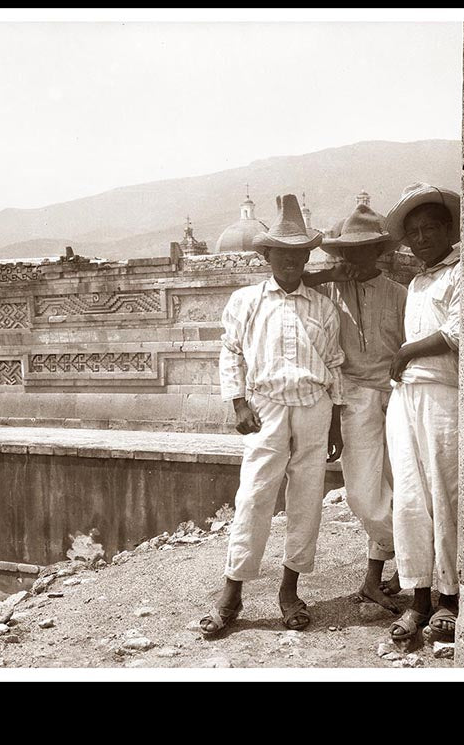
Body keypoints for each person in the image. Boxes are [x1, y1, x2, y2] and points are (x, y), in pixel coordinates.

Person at [199, 194, 345, 635]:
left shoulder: (322, 306)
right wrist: (238, 401)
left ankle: (289, 589)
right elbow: (231, 352)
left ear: (307, 257)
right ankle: (232, 594)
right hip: (266, 409)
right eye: (283, 254)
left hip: (315, 407)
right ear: (267, 255)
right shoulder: (246, 301)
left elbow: (334, 363)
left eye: (299, 254)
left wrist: (335, 418)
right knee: (254, 497)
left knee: (305, 500)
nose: (291, 262)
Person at [302, 204, 406, 613]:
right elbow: (292, 280)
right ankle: (418, 551)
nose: (356, 258)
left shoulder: (399, 292)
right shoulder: (328, 291)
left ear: (379, 250)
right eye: (348, 251)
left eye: (364, 249)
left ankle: (373, 581)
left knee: (401, 488)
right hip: (353, 398)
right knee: (363, 495)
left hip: (398, 396)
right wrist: (330, 274)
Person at [383, 183, 461, 642]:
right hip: (406, 396)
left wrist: (407, 352)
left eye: (430, 227)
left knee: (444, 491)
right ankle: (419, 597)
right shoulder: (415, 281)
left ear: (449, 229)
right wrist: (404, 361)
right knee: (411, 498)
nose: (421, 237)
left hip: (442, 395)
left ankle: (450, 598)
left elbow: (458, 330)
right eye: (413, 232)